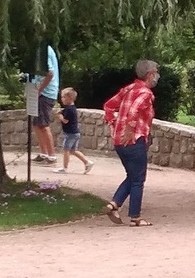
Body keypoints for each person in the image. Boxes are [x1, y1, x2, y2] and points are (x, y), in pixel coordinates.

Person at [102, 59, 160, 227]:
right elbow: (134, 110)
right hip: (135, 141)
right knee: (138, 179)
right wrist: (130, 130)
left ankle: (114, 205)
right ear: (150, 74)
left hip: (119, 142)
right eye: (156, 72)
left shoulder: (128, 89)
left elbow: (108, 106)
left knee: (132, 176)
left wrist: (114, 125)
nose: (157, 75)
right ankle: (135, 216)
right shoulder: (145, 93)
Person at [51, 88, 93, 174]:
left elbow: (65, 120)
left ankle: (64, 168)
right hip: (75, 133)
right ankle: (87, 162)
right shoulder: (70, 108)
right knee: (73, 151)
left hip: (70, 133)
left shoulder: (69, 109)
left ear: (69, 98)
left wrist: (59, 116)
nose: (62, 99)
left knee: (66, 150)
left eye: (63, 97)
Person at [31, 44, 60, 164]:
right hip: (39, 92)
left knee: (43, 124)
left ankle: (52, 155)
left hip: (46, 93)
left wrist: (39, 90)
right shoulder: (37, 50)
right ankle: (43, 153)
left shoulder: (43, 50)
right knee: (36, 124)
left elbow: (50, 73)